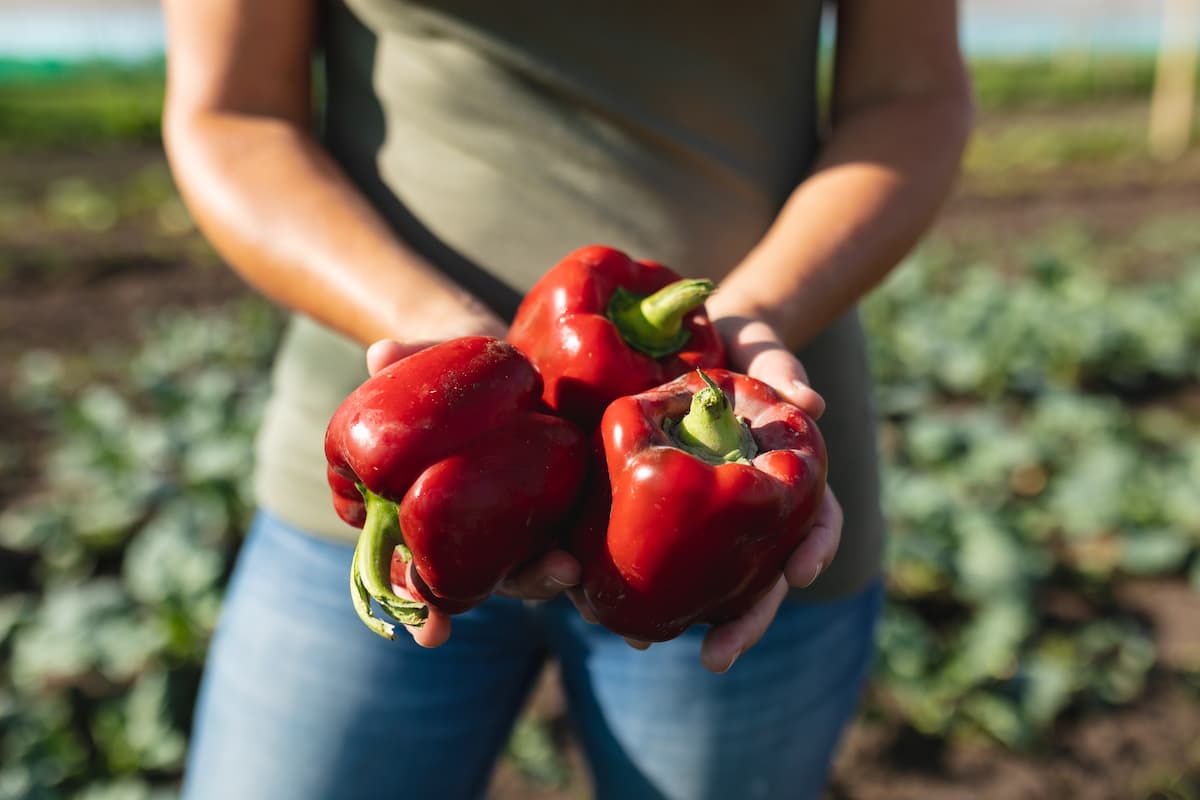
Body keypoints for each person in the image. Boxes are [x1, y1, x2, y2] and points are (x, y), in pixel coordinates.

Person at [160, 1, 972, 798]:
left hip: (741, 497)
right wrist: (427, 330)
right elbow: (236, 113)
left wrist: (758, 313)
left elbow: (911, 95)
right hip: (388, 463)